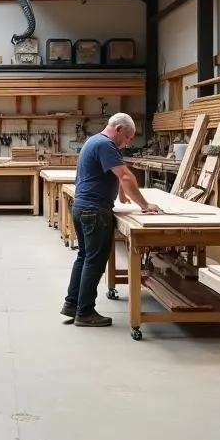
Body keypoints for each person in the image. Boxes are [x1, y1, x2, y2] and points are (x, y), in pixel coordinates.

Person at [62, 113, 160, 328]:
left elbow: (111, 175)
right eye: (127, 137)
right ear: (118, 129)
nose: (127, 143)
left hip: (82, 208)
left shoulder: (94, 141)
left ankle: (72, 304)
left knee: (84, 257)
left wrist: (121, 193)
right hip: (94, 210)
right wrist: (145, 206)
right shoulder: (106, 144)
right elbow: (125, 176)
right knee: (94, 262)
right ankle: (85, 312)